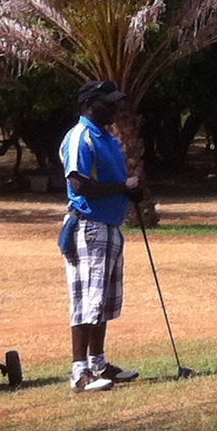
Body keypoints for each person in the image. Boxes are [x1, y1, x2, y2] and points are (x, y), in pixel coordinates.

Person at [59, 80, 145, 393]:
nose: (114, 107)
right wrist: (124, 188)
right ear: (90, 104)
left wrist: (129, 191)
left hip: (110, 227)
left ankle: (98, 363)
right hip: (89, 227)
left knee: (104, 302)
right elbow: (79, 185)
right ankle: (79, 373)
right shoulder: (81, 137)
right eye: (108, 102)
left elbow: (114, 180)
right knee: (86, 301)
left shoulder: (107, 137)